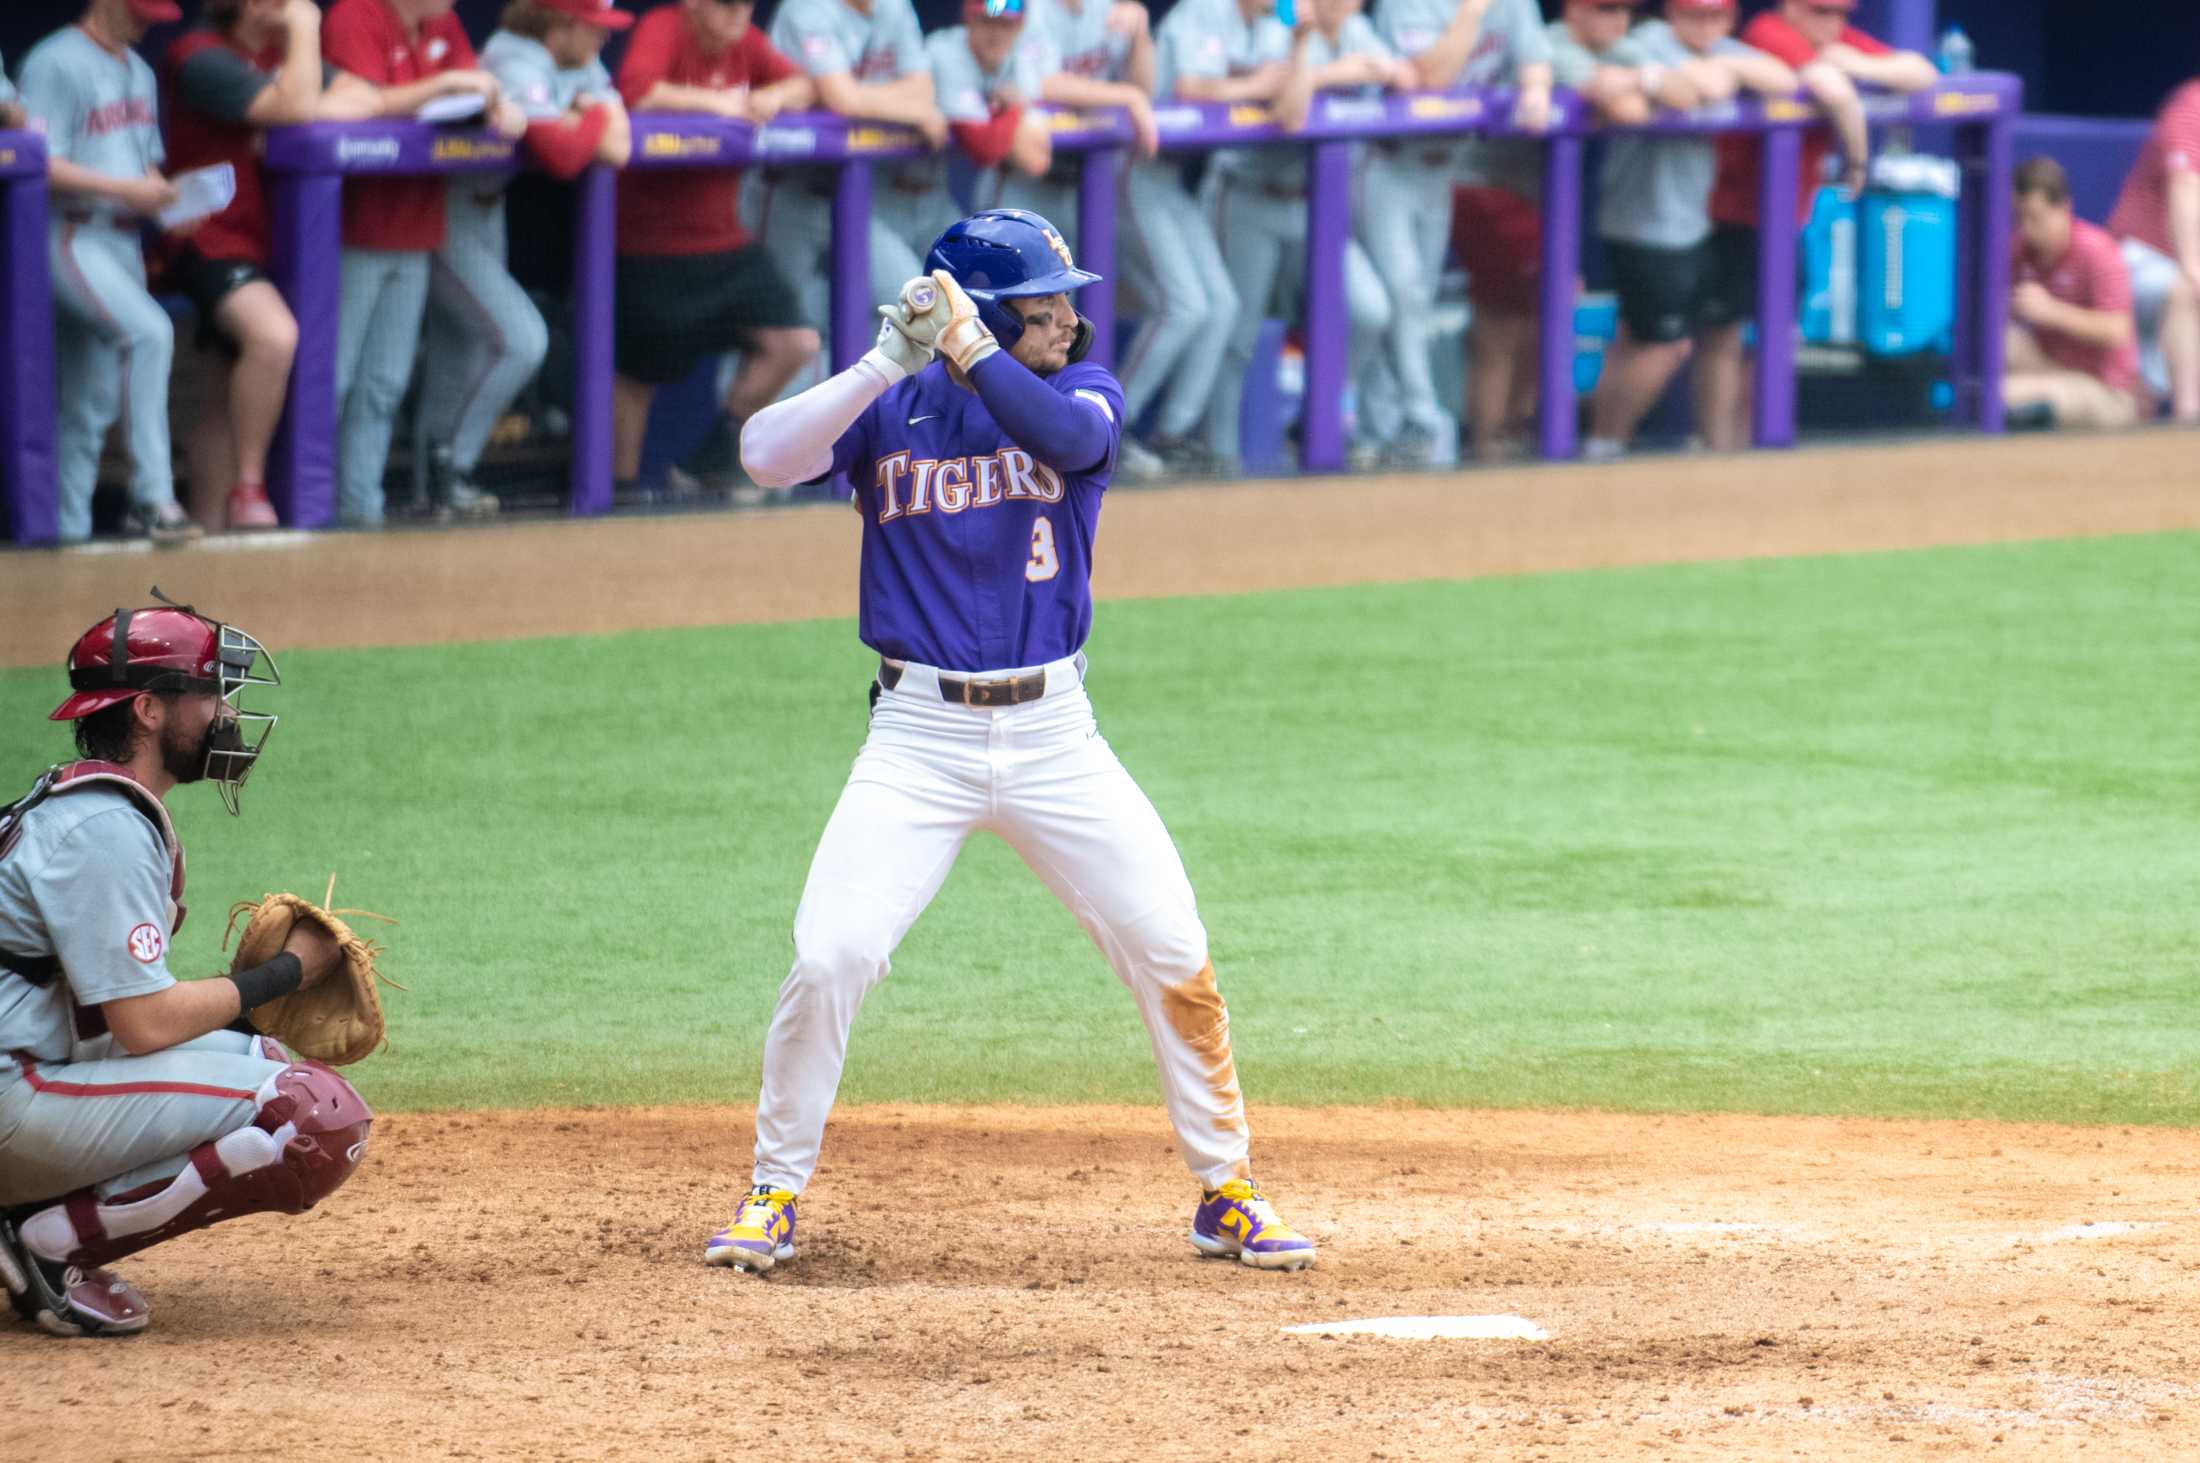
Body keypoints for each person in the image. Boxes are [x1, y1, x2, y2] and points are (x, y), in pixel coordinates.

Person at [716, 209, 1317, 1277]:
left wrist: (979, 348)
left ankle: (1225, 1189)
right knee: (831, 952)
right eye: (1047, 300)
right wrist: (883, 361)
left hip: (1057, 736)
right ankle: (772, 1191)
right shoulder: (892, 402)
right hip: (915, 738)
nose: (1072, 315)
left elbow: (1077, 442)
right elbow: (764, 456)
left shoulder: (1084, 391)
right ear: (987, 308)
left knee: (1171, 947)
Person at [0, 596, 371, 1338]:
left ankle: (33, 1212)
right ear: (147, 709)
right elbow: (142, 1025)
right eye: (208, 692)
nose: (224, 713)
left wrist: (245, 1011)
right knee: (311, 1115)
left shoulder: (85, 805)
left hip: (28, 1067)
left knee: (260, 1055)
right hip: (14, 1088)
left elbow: (106, 1015)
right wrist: (287, 972)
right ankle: (44, 1243)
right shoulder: (104, 826)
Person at [162, 0, 381, 535]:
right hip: (202, 236)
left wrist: (296, 110)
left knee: (220, 391)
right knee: (273, 336)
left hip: (258, 238)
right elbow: (297, 106)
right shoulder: (199, 55)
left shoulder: (272, 55)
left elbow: (366, 96)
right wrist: (306, 35)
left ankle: (210, 528)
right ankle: (250, 487)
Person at [416, 0, 632, 521]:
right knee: (520, 339)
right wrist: (594, 115)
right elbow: (562, 155)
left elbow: (618, 150)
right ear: (561, 24)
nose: (602, 40)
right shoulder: (513, 56)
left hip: (489, 212)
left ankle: (436, 489)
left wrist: (588, 119)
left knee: (461, 350)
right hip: (444, 209)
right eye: (594, 28)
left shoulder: (577, 60)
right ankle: (451, 469)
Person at [322, 0, 526, 527]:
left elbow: (476, 88)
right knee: (334, 379)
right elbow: (359, 104)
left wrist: (496, 106)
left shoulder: (442, 22)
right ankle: (308, 509)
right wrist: (441, 86)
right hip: (353, 228)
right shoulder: (354, 16)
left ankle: (359, 508)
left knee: (384, 383)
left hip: (417, 224)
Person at [1696, 0, 1933, 451]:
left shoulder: (1835, 39)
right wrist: (1858, 162)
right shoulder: (1769, 31)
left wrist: (1861, 63)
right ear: (1790, 7)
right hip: (1731, 211)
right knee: (1723, 333)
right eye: (1820, 11)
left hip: (1787, 219)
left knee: (1779, 334)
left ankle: (1755, 445)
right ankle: (1717, 448)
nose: (1832, 23)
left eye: (1840, 14)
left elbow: (1922, 72)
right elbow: (1833, 90)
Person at [612, 0, 818, 503]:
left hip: (723, 242)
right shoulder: (664, 27)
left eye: (744, 5)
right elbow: (637, 92)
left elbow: (804, 86)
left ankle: (712, 453)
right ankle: (616, 493)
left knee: (795, 342)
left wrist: (773, 96)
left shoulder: (743, 42)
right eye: (725, 5)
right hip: (650, 241)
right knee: (639, 372)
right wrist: (721, 104)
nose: (737, 15)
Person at [1578, 0, 1797, 460]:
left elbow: (1785, 80)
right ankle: (1604, 446)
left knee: (1637, 338)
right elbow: (1686, 94)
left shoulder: (1721, 48)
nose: (1705, 26)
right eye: (1694, 15)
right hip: (1643, 220)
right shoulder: (1641, 44)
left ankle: (1605, 438)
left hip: (1684, 221)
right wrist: (1665, 78)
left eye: (1715, 16)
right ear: (1673, 14)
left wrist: (1722, 65)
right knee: (1666, 345)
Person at [19, 0, 201, 548]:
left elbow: (142, 161)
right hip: (69, 233)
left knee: (90, 401)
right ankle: (153, 497)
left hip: (120, 241)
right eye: (138, 11)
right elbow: (37, 160)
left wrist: (170, 199)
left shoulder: (138, 69)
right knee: (150, 333)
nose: (148, 23)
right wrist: (128, 190)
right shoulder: (55, 61)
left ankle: (66, 535)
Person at [1196, 0, 1404, 469]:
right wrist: (1331, 72)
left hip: (1315, 203)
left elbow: (1397, 73)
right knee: (1238, 333)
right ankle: (1218, 453)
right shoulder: (1277, 30)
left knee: (1369, 311)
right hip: (1249, 191)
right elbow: (1291, 113)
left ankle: (1315, 419)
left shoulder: (1356, 31)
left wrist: (1329, 72)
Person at [1359, 0, 1553, 468]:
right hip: (1384, 164)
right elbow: (1429, 80)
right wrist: (1469, 14)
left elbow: (1535, 56)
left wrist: (1535, 86)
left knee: (1412, 300)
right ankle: (1417, 421)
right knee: (1399, 294)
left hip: (1440, 171)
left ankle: (1383, 430)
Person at [1123, 0, 1299, 478]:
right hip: (1130, 167)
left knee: (1221, 307)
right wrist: (1255, 86)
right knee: (1183, 307)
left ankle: (1173, 434)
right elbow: (1190, 89)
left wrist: (1296, 44)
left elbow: (1285, 85)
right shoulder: (1200, 12)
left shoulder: (1272, 21)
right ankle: (1111, 427)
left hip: (1172, 177)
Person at [757, 0, 951, 382]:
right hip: (783, 193)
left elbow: (922, 90)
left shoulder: (893, 8)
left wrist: (864, 98)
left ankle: (868, 430)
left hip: (849, 199)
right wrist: (910, 109)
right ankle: (742, 437)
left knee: (913, 304)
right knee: (774, 334)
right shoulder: (805, 10)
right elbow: (843, 99)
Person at [2005, 157, 2145, 431]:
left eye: (2036, 217)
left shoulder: (2098, 251)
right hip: (2050, 368)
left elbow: (2117, 330)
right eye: (2020, 218)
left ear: (2064, 208)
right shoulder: (2018, 251)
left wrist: (2051, 310)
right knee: (2001, 342)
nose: (2028, 229)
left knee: (2005, 395)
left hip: (2106, 392)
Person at [1009, 0, 1161, 226]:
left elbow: (1145, 91)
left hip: (1088, 180)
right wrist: (1128, 95)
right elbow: (1043, 84)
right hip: (1024, 179)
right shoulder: (1019, 6)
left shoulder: (1108, 9)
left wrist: (1140, 38)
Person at [2105, 76, 2200, 424]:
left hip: (2175, 259)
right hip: (2139, 254)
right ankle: (2190, 420)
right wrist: (2193, 266)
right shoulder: (2192, 105)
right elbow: (2186, 185)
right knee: (2186, 290)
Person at [929, 0, 1053, 214]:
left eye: (1005, 25)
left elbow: (1037, 157)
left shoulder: (1015, 59)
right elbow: (984, 146)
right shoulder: (944, 52)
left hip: (932, 196)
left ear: (1018, 28)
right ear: (968, 19)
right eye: (987, 22)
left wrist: (1006, 112)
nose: (996, 34)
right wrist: (1013, 109)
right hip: (880, 188)